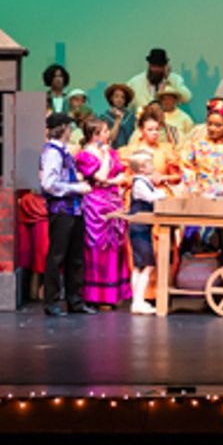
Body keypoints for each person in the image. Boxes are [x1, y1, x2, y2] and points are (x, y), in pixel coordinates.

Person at [39, 113, 93, 317]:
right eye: (69, 127)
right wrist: (75, 187)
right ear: (62, 128)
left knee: (75, 257)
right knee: (57, 256)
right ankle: (51, 302)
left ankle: (75, 300)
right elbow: (48, 184)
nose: (71, 131)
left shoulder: (63, 151)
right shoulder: (53, 152)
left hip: (74, 210)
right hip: (61, 211)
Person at [76, 117, 132, 308]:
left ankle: (111, 295)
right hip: (95, 204)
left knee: (114, 246)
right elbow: (98, 176)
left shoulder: (113, 152)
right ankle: (94, 295)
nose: (109, 134)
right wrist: (106, 158)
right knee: (95, 246)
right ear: (95, 135)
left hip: (113, 201)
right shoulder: (85, 155)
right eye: (105, 131)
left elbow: (122, 175)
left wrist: (110, 181)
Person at [126, 150, 167, 315]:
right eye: (150, 163)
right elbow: (151, 198)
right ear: (142, 168)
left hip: (142, 227)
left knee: (140, 266)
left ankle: (137, 301)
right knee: (147, 265)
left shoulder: (144, 181)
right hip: (139, 227)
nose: (153, 165)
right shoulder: (139, 183)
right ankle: (138, 301)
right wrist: (162, 193)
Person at [123, 104, 183, 195]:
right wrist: (143, 179)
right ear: (141, 130)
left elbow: (177, 176)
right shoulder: (131, 151)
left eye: (157, 129)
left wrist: (163, 177)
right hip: (137, 194)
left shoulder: (166, 150)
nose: (154, 133)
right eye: (150, 130)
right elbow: (124, 179)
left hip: (161, 193)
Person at [127, 48, 192, 114]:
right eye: (154, 66)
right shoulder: (135, 82)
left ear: (165, 67)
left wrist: (168, 78)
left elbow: (187, 98)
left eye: (159, 66)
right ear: (149, 65)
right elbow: (126, 106)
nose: (156, 69)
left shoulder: (174, 79)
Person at [102, 83, 136, 150]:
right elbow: (109, 138)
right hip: (111, 153)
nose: (119, 99)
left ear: (125, 100)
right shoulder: (105, 117)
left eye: (122, 97)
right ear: (111, 98)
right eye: (116, 96)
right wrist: (117, 119)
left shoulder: (131, 116)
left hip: (129, 152)